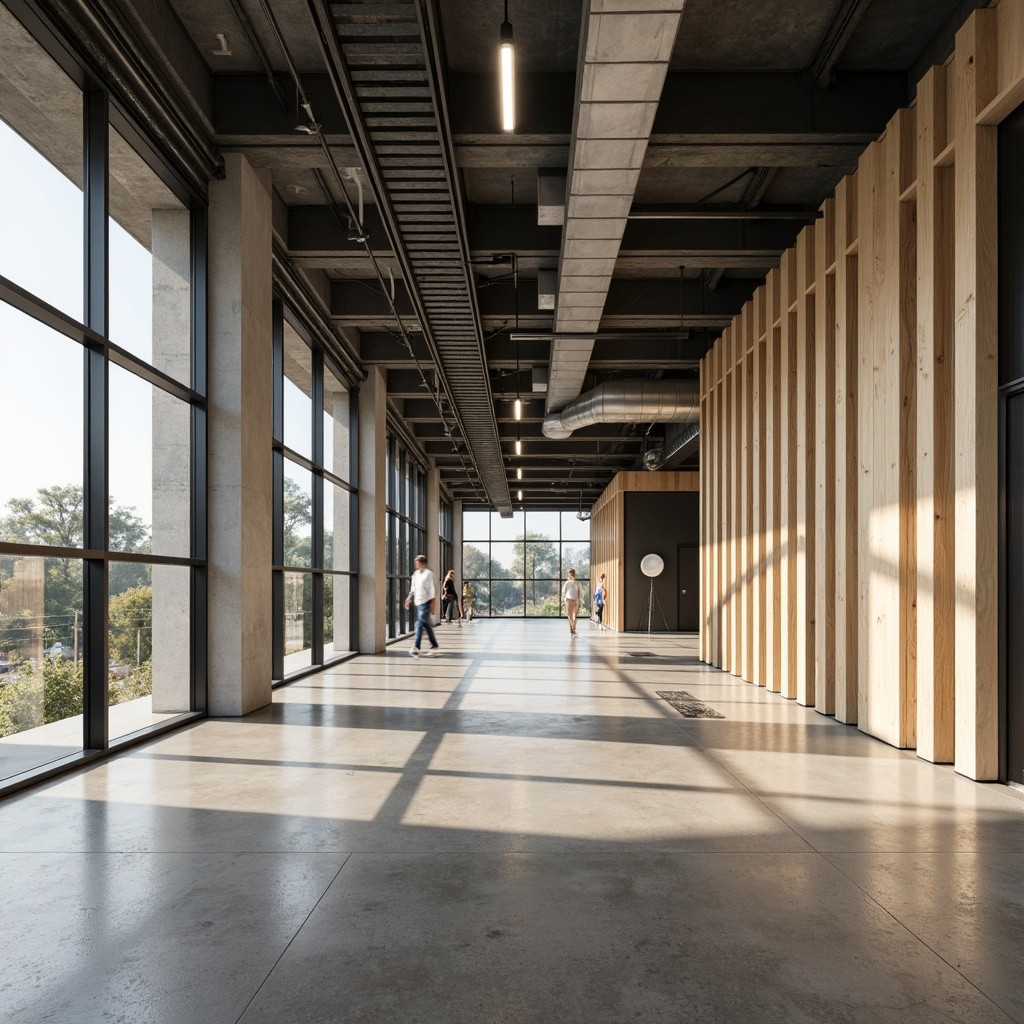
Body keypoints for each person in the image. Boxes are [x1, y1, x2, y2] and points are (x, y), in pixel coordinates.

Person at [404, 554, 439, 656]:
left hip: (426, 602)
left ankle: (416, 646)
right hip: (418, 602)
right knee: (426, 624)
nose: (416, 564)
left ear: (423, 563)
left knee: (419, 623)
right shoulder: (415, 574)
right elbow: (413, 588)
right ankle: (434, 644)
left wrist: (433, 604)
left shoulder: (429, 574)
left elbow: (432, 590)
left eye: (417, 562)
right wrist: (408, 598)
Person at [562, 568, 583, 638]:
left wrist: (579, 601)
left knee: (574, 616)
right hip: (568, 600)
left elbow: (580, 593)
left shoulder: (578, 583)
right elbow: (564, 592)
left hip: (576, 600)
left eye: (572, 573)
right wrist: (564, 600)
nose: (571, 574)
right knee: (570, 616)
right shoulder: (567, 583)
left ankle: (573, 629)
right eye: (570, 573)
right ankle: (572, 630)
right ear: (568, 574)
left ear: (574, 574)